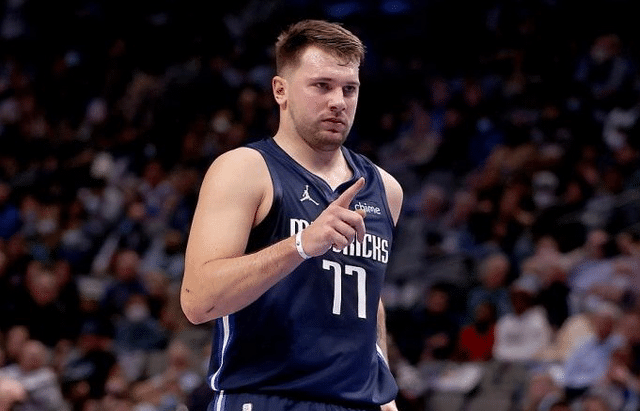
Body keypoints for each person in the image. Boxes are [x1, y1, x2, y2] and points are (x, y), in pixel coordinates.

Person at [181, 19, 403, 411]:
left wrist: (384, 395)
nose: (338, 101)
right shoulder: (245, 170)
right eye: (322, 86)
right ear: (280, 90)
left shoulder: (385, 189)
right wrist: (301, 244)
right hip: (265, 397)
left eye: (349, 89)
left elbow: (368, 297)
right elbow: (198, 300)